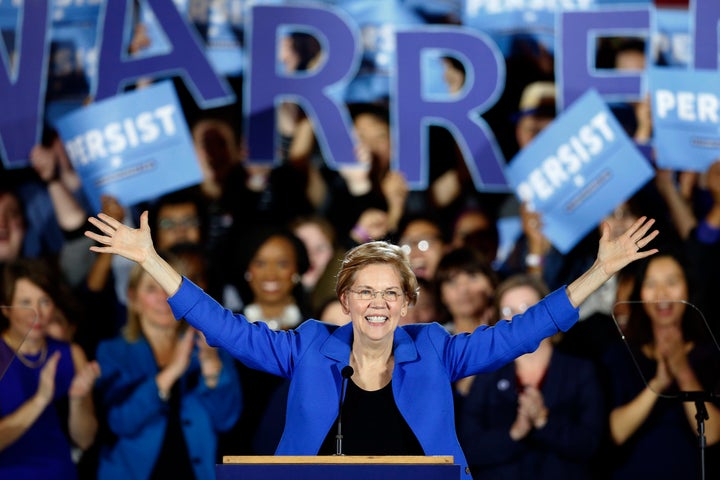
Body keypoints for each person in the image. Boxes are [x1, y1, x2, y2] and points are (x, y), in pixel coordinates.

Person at [84, 211, 659, 479]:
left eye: (390, 292)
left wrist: (599, 271)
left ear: (407, 303)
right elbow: (224, 325)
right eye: (365, 291)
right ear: (347, 300)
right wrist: (150, 261)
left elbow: (524, 330)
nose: (378, 303)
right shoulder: (308, 347)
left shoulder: (435, 347)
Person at [94, 257, 242, 480]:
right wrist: (171, 373)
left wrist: (212, 371)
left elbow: (226, 420)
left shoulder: (210, 347)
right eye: (152, 289)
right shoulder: (113, 352)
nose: (163, 298)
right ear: (133, 298)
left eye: (169, 288)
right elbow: (121, 422)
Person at [458, 274, 606, 479]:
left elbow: (592, 445)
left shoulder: (580, 371)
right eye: (508, 311)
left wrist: (544, 422)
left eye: (527, 309)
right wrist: (514, 434)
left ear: (548, 315)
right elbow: (468, 447)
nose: (518, 319)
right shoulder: (487, 375)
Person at [601, 252, 720, 479]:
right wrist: (658, 382)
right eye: (651, 284)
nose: (662, 294)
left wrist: (683, 371)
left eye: (672, 282)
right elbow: (615, 433)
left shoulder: (711, 353)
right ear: (639, 293)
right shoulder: (621, 355)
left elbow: (713, 434)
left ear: (688, 288)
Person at [0, 258, 100, 479]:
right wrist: (40, 400)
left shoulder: (70, 353)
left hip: (59, 471)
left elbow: (85, 439)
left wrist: (77, 400)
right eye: (25, 302)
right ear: (6, 309)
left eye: (44, 301)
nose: (37, 312)